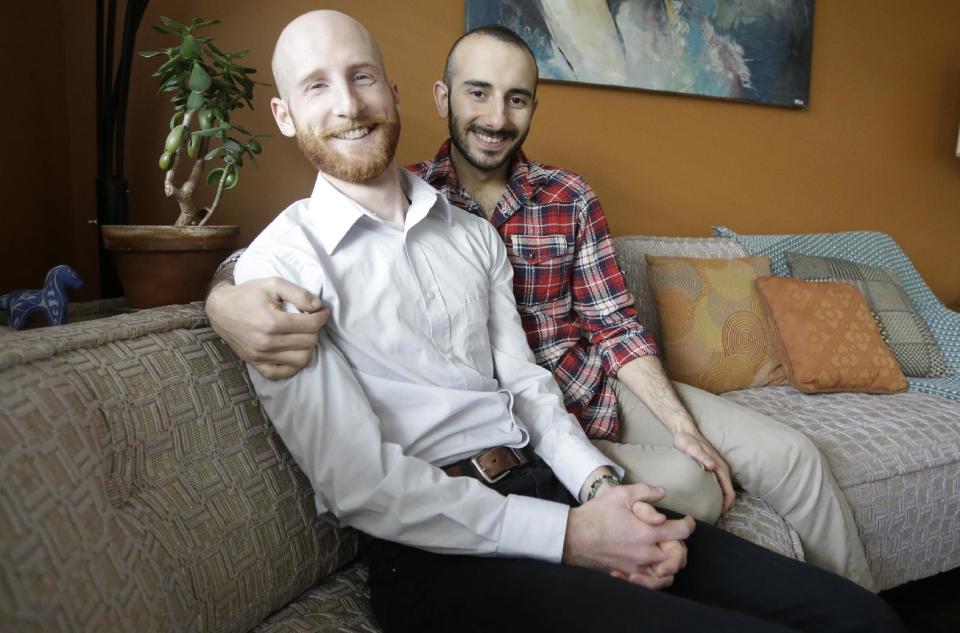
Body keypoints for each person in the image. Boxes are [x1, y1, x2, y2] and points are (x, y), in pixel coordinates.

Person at [233, 10, 903, 632]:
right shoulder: (277, 269)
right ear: (284, 115)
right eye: (316, 86)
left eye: (361, 77)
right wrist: (572, 536)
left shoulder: (472, 234)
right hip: (437, 545)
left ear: (395, 91)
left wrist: (603, 491)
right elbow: (362, 486)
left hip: (555, 465)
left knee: (862, 618)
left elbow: (533, 385)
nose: (348, 104)